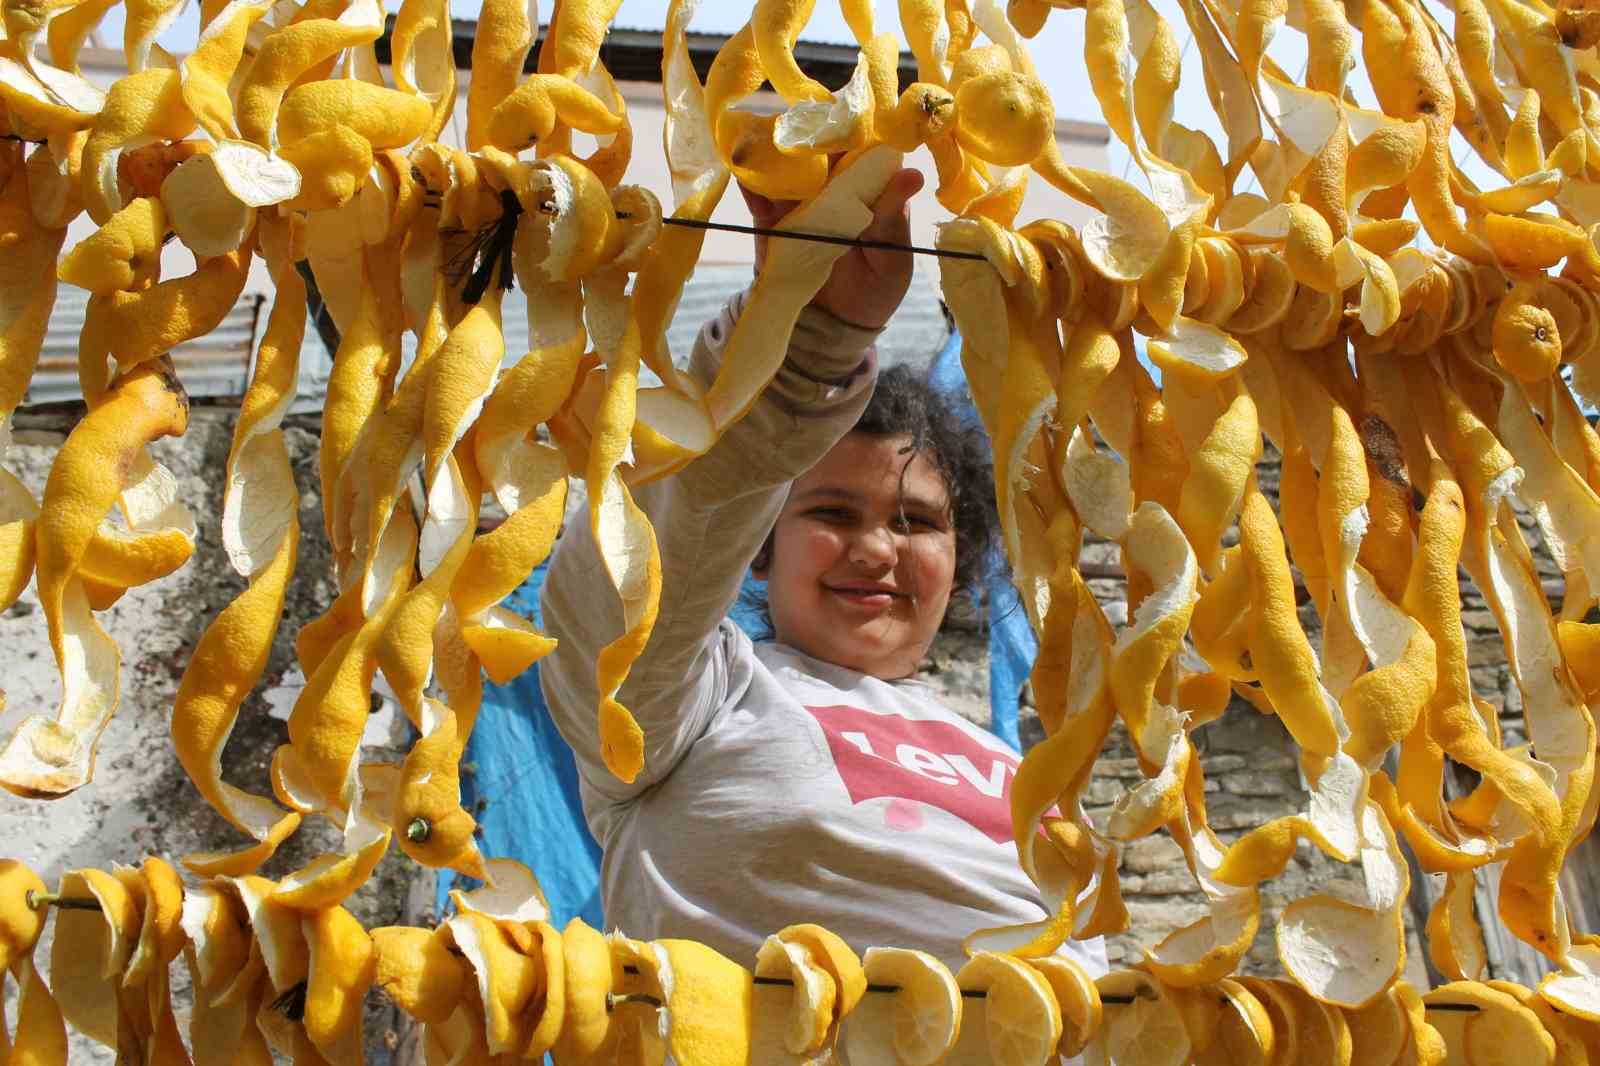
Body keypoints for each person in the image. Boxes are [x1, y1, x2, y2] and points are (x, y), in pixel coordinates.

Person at [539, 166, 1108, 977]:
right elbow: (630, 584)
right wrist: (811, 340)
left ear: (963, 555)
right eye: (834, 514)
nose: (878, 550)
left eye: (918, 523)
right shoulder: (694, 703)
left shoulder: (1023, 772)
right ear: (760, 544)